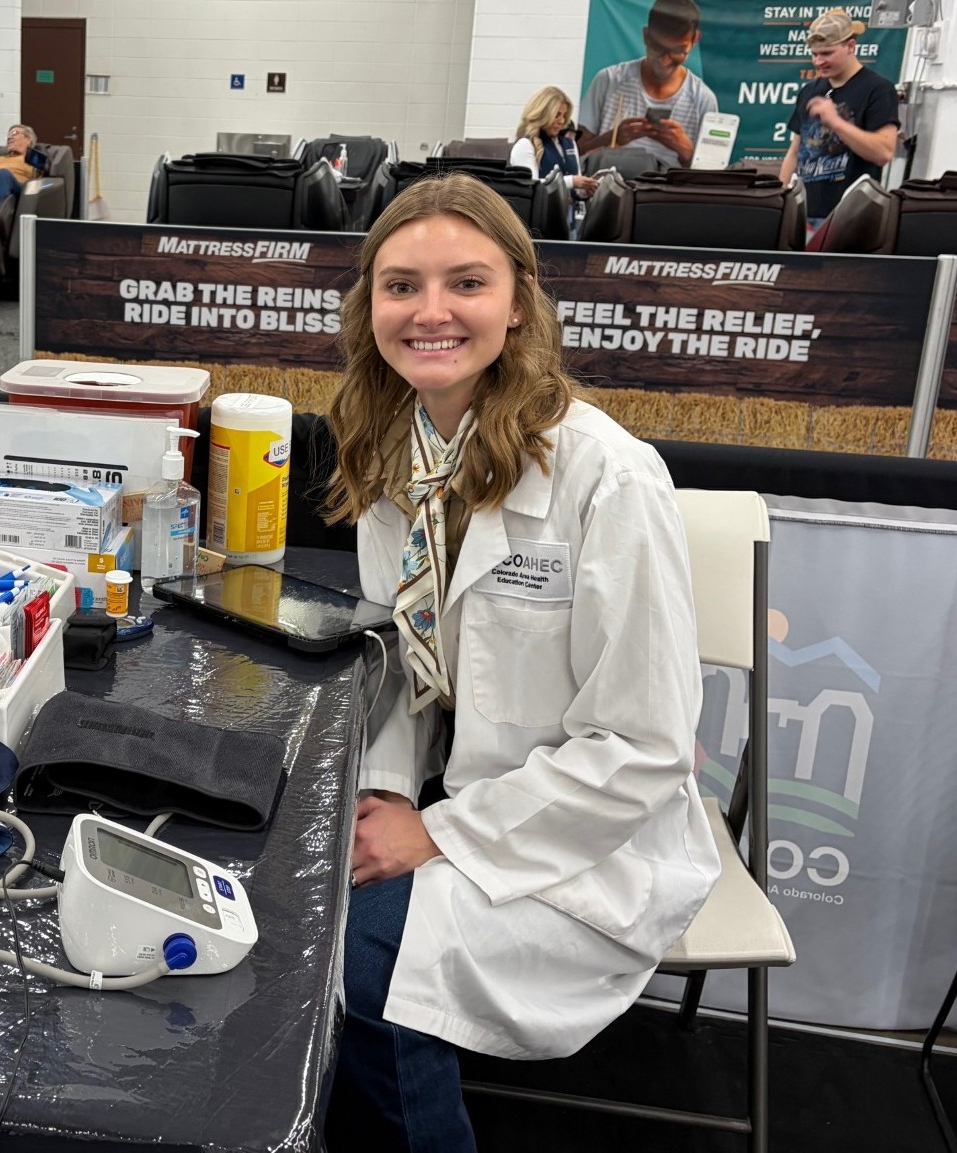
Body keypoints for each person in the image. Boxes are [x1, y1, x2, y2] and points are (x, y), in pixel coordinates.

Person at [320, 173, 720, 1150]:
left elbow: (645, 744)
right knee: (295, 903)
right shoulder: (394, 453)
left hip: (585, 833)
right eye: (402, 285)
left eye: (467, 282)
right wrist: (387, 801)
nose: (431, 312)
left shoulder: (605, 479)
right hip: (445, 789)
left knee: (364, 960)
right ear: (369, 303)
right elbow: (395, 659)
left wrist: (442, 836)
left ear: (518, 303)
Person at [778, 8, 900, 230]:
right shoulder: (809, 91)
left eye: (826, 53)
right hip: (803, 214)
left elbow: (884, 152)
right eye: (814, 54)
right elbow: (794, 152)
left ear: (851, 46)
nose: (818, 61)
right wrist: (780, 201)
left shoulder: (878, 89)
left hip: (851, 217)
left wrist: (836, 122)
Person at [577, 0, 716, 169]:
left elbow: (710, 175)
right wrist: (609, 138)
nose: (665, 61)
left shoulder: (703, 99)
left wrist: (685, 150)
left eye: (677, 51)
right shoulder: (609, 80)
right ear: (646, 36)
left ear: (695, 39)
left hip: (667, 194)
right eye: (657, 48)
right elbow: (573, 152)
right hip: (610, 188)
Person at [508, 85, 598, 200]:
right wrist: (571, 181)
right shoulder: (525, 145)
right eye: (557, 115)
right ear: (542, 114)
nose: (562, 121)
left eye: (564, 116)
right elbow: (530, 186)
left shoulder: (570, 144)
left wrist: (585, 190)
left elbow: (575, 190)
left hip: (567, 214)